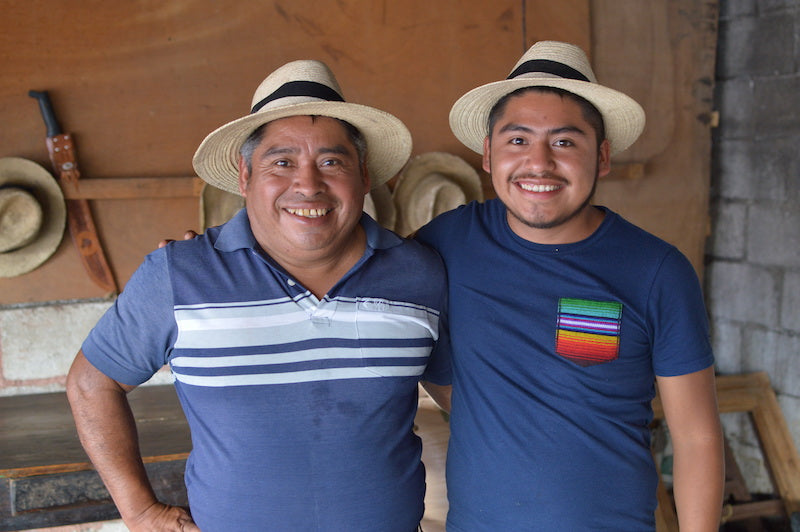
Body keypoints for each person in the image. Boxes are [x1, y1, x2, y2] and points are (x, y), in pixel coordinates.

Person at [66, 59, 451, 532]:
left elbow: (462, 397)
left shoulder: (421, 274)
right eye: (282, 162)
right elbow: (92, 383)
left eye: (331, 161)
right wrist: (140, 511)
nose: (308, 184)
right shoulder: (178, 274)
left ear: (364, 176)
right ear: (245, 176)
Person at [414, 41, 725, 531]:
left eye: (564, 142)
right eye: (517, 140)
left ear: (601, 158)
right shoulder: (445, 245)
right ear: (488, 156)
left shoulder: (656, 270)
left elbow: (696, 439)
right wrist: (477, 399)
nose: (539, 163)